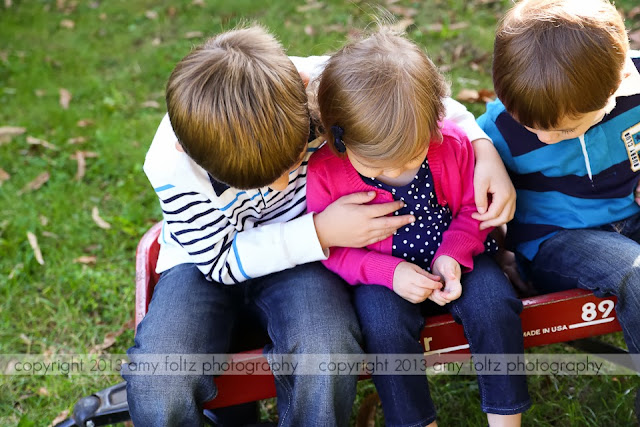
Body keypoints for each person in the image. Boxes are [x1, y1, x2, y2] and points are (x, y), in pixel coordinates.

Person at [122, 25, 517, 426]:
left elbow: (411, 96)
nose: (279, 183)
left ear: (305, 90)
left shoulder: (318, 82)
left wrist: (482, 148)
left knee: (326, 348)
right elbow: (218, 262)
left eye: (292, 161)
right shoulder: (171, 164)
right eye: (255, 179)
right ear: (185, 150)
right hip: (207, 264)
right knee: (160, 382)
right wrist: (322, 231)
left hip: (307, 264)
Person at [307, 29, 530, 427]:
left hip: (457, 258)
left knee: (495, 306)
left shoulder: (451, 145)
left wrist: (453, 255)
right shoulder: (326, 172)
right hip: (380, 278)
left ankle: (506, 417)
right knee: (384, 330)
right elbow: (333, 248)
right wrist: (387, 273)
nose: (396, 172)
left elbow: (470, 208)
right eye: (376, 167)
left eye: (411, 157)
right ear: (339, 140)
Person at [477, 0, 640, 361]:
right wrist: (498, 251)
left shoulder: (634, 84)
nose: (546, 138)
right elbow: (461, 189)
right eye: (529, 126)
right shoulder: (497, 131)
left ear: (617, 84)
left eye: (565, 129)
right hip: (559, 241)